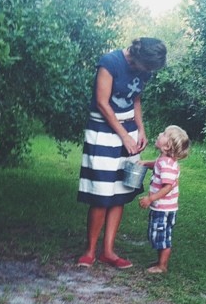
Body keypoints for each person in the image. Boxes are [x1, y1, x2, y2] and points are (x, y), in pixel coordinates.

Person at [77, 37, 167, 269]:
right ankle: (89, 252)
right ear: (138, 57)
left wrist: (140, 130)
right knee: (101, 192)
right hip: (103, 131)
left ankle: (108, 251)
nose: (148, 72)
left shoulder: (144, 69)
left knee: (119, 191)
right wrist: (124, 136)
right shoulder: (110, 62)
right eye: (147, 67)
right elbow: (102, 103)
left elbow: (135, 99)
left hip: (129, 131)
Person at [138, 125, 190, 274]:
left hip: (164, 208)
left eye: (164, 134)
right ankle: (160, 261)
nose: (160, 133)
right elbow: (156, 165)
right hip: (164, 208)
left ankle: (162, 266)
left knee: (163, 236)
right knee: (160, 234)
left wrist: (150, 198)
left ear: (167, 145)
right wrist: (145, 163)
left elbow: (167, 187)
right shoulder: (164, 160)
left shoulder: (167, 164)